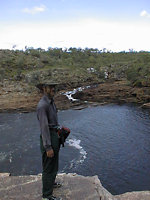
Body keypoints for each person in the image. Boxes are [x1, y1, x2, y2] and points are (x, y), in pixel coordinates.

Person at [36, 82, 62, 200]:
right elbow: (44, 127)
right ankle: (46, 196)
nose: (53, 89)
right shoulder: (42, 105)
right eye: (50, 87)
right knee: (48, 167)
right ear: (43, 88)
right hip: (49, 137)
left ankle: (51, 183)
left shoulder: (51, 102)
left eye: (54, 87)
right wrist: (48, 147)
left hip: (54, 135)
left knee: (54, 164)